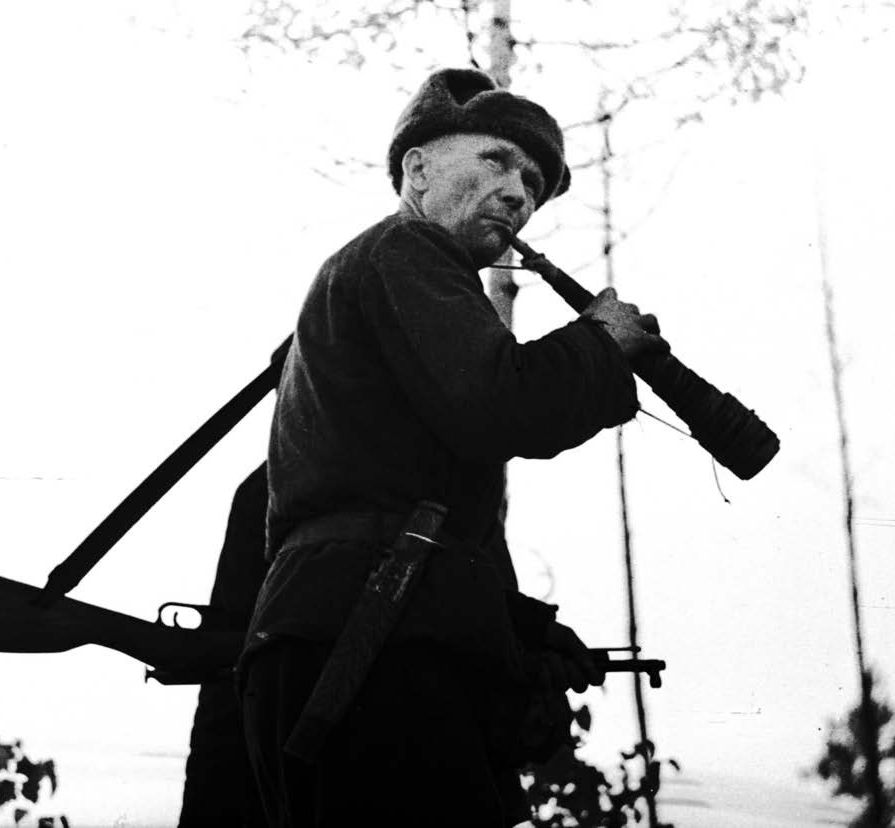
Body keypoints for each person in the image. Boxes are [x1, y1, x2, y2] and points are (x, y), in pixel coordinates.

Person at [238, 67, 669, 828]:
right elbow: (498, 406)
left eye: (533, 184)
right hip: (374, 643)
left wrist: (520, 628)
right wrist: (601, 343)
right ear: (418, 170)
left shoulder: (397, 277)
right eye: (497, 160)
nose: (518, 194)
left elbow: (415, 492)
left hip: (359, 630)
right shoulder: (408, 249)